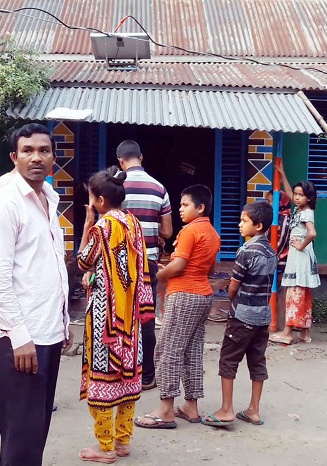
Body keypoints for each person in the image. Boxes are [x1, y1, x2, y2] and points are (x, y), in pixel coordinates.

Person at [0, 123, 73, 466]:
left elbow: (49, 270)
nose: (36, 157)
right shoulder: (6, 204)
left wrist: (63, 324)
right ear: (14, 157)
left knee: (36, 431)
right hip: (20, 338)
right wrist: (19, 337)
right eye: (28, 151)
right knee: (21, 436)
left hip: (47, 332)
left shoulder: (49, 200)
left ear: (53, 156)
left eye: (44, 151)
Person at [76, 166, 154, 463]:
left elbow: (84, 262)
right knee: (126, 379)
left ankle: (105, 447)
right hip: (131, 315)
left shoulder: (103, 227)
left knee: (103, 379)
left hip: (104, 318)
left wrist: (86, 225)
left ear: (99, 200)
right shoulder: (133, 223)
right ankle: (122, 441)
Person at [135, 184, 221, 429]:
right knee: (191, 350)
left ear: (200, 207)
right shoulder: (213, 234)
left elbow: (180, 265)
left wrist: (161, 275)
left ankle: (165, 409)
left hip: (183, 294)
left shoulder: (189, 232)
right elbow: (210, 269)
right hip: (203, 294)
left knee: (168, 350)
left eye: (185, 205)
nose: (180, 210)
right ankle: (190, 406)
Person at [202, 200, 277, 428]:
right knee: (257, 362)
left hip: (242, 315)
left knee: (228, 360)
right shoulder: (271, 252)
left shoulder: (246, 251)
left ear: (259, 226)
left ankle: (226, 409)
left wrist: (232, 298)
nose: (239, 225)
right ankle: (253, 409)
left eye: (244, 221)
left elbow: (233, 286)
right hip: (263, 315)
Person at [117, 139, 173, 390]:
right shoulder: (159, 188)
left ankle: (121, 371)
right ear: (142, 157)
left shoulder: (115, 187)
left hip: (118, 262)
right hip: (148, 261)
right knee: (146, 319)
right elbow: (168, 231)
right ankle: (148, 375)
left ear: (121, 161)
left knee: (118, 316)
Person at [270, 163, 319, 345]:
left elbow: (312, 233)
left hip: (300, 257)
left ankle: (288, 332)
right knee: (303, 293)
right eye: (296, 195)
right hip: (303, 257)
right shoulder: (301, 209)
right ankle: (304, 333)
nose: (296, 198)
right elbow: (289, 193)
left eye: (301, 195)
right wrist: (283, 174)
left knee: (294, 293)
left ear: (308, 197)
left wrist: (300, 245)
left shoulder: (305, 213)